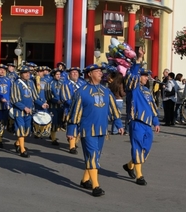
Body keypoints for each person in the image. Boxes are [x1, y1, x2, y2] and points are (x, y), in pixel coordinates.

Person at [67, 64, 124, 197]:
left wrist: (118, 124)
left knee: (95, 156)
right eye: (97, 71)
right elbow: (74, 113)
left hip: (102, 130)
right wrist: (71, 130)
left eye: (100, 71)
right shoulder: (81, 92)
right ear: (89, 74)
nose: (100, 73)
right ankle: (96, 186)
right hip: (87, 130)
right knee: (92, 156)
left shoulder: (106, 91)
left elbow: (114, 108)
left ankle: (85, 180)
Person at [123, 47, 160, 186]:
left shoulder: (147, 91)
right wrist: (138, 59)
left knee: (146, 149)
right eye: (144, 75)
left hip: (148, 124)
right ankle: (140, 176)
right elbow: (132, 74)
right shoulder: (133, 88)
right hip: (137, 122)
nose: (147, 77)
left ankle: (129, 165)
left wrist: (156, 121)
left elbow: (153, 108)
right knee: (137, 147)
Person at [10, 66, 48, 158]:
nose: (28, 74)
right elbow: (14, 100)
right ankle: (22, 150)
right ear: (21, 74)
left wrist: (42, 104)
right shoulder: (16, 84)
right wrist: (24, 107)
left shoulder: (31, 83)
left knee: (27, 130)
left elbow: (35, 96)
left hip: (30, 110)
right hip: (19, 111)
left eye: (28, 73)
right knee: (21, 128)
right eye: (25, 73)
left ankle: (17, 143)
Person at [60, 67, 86, 154]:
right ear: (69, 74)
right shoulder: (66, 84)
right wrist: (75, 105)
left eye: (76, 72)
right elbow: (65, 98)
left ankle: (74, 141)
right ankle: (72, 147)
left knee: (80, 127)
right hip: (71, 109)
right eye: (72, 73)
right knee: (72, 126)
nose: (74, 74)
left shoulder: (83, 83)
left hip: (82, 109)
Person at [45, 68, 63, 145]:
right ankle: (53, 139)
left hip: (61, 106)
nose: (59, 76)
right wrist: (56, 101)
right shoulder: (49, 83)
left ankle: (53, 134)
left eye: (59, 74)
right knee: (54, 121)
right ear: (53, 75)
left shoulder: (62, 82)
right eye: (57, 74)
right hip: (53, 106)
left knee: (59, 121)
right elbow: (48, 96)